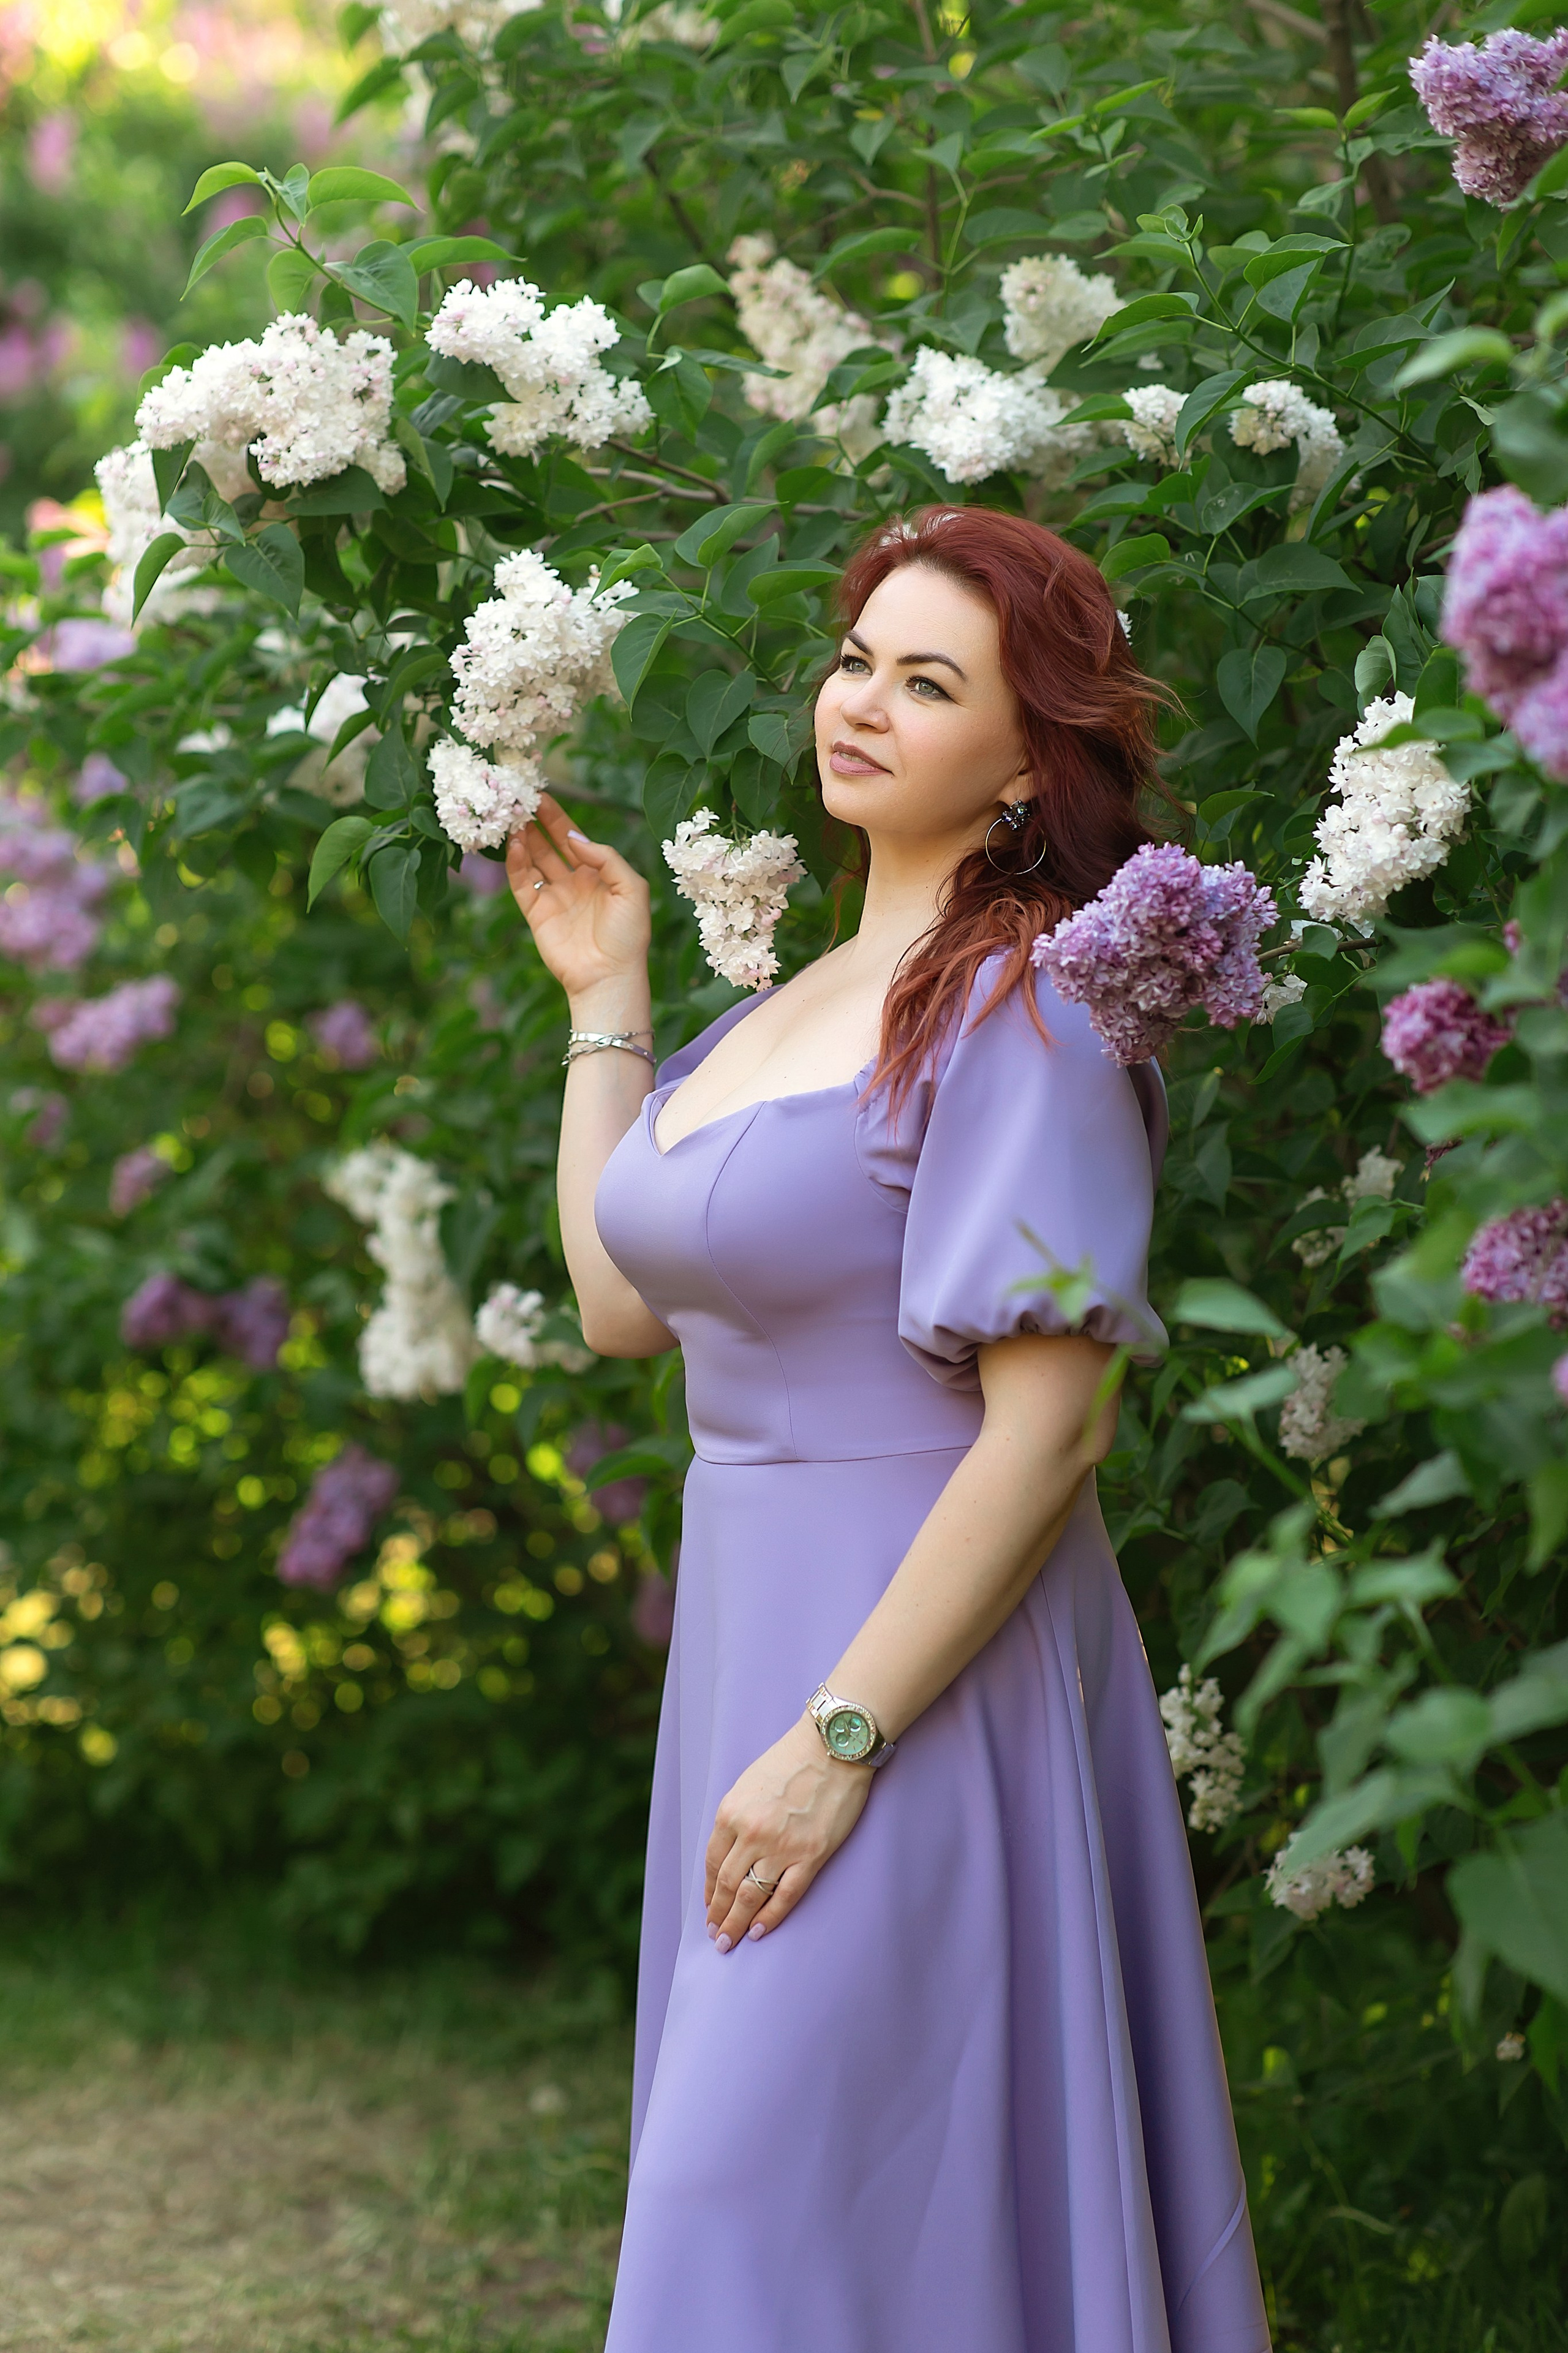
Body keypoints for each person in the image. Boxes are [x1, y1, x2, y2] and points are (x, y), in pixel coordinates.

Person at [507, 504, 1271, 2353]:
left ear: (1026, 764)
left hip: (920, 1679)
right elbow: (625, 1303)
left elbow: (1054, 1429)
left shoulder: (1033, 1002)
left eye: (928, 683)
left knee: (766, 2201)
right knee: (801, 2222)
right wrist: (612, 994)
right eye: (859, 658)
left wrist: (845, 1733)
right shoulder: (780, 1012)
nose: (862, 700)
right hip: (754, 1660)